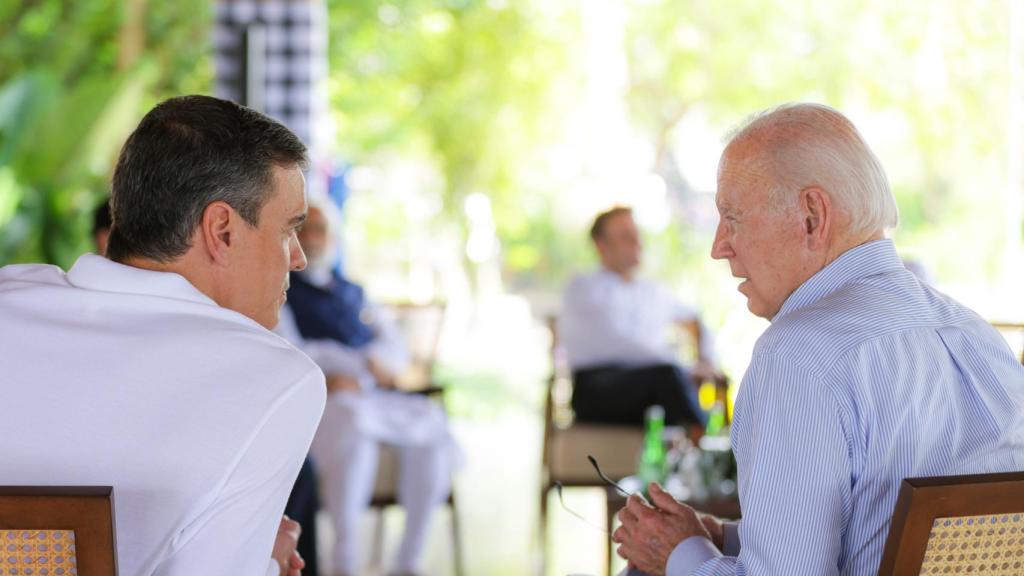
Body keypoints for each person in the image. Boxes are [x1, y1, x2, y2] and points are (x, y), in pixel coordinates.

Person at [612, 103, 1024, 575]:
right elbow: (891, 530)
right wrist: (721, 537)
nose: (719, 245)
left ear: (811, 216)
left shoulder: (799, 357)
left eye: (733, 217)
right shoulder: (976, 335)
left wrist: (676, 556)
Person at [0, 95, 326, 576]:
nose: (297, 257)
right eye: (288, 230)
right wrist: (266, 561)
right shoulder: (276, 379)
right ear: (223, 230)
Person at [275, 203, 456, 576]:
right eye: (304, 228)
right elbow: (297, 351)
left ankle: (408, 560)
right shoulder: (282, 289)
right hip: (327, 400)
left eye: (321, 230)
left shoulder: (355, 293)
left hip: (371, 393)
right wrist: (355, 367)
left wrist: (365, 370)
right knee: (352, 424)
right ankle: (345, 560)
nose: (313, 237)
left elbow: (394, 348)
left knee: (432, 425)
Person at [559, 206, 718, 426]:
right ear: (601, 245)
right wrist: (682, 369)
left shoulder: (652, 290)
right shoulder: (584, 287)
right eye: (626, 236)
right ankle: (708, 443)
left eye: (637, 235)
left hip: (654, 384)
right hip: (597, 389)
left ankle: (705, 443)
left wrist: (706, 360)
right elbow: (621, 343)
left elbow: (695, 319)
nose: (637, 242)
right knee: (669, 380)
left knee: (675, 387)